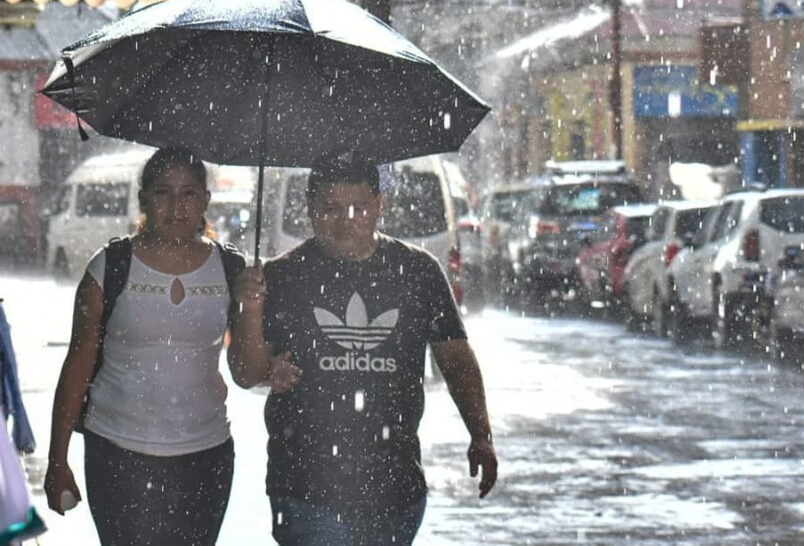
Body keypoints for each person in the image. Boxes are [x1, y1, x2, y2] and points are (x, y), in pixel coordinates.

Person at [230, 155, 498, 545]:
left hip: (396, 490)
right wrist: (249, 311)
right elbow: (244, 373)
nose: (345, 221)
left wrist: (482, 435)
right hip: (306, 488)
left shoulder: (418, 272)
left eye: (358, 208)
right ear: (309, 206)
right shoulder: (281, 276)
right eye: (330, 209)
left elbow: (456, 359)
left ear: (379, 205)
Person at [43, 147, 252, 546]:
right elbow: (77, 366)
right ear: (143, 199)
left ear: (205, 201)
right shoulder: (110, 266)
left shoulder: (230, 269)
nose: (177, 206)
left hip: (205, 456)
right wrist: (58, 459)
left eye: (189, 193)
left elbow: (247, 370)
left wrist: (253, 308)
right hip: (118, 455)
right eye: (163, 192)